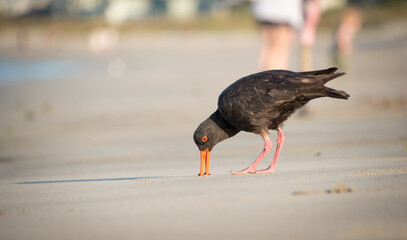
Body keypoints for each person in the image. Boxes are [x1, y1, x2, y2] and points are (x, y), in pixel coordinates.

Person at [252, 0, 320, 71]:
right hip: (284, 13)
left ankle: (263, 78)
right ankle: (274, 79)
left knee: (268, 48)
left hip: (264, 9)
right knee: (280, 51)